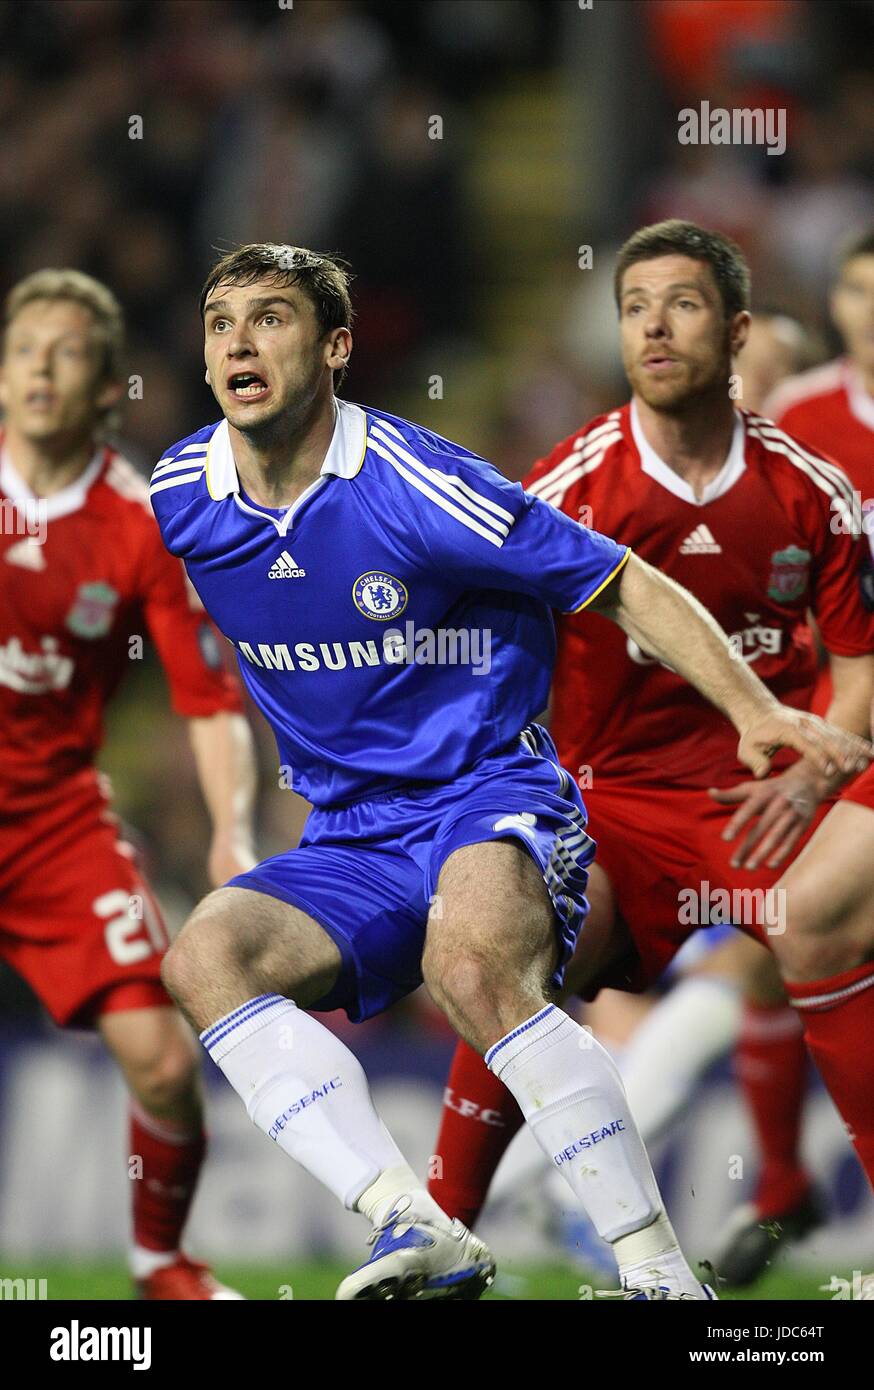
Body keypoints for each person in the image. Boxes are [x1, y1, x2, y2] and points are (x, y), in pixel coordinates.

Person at [149, 241, 868, 1302]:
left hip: (489, 791)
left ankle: (660, 1275)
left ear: (337, 347)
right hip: (348, 833)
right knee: (205, 956)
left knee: (475, 961)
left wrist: (756, 709)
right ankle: (414, 1222)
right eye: (221, 324)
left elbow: (619, 580)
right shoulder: (180, 490)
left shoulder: (417, 482)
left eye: (271, 319)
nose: (240, 343)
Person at [427, 222, 874, 1282]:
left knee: (820, 916)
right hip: (612, 801)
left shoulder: (809, 490)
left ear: (738, 332)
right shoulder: (568, 485)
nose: (653, 327)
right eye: (633, 307)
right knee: (502, 955)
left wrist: (820, 763)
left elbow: (859, 667)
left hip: (770, 793)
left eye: (680, 303)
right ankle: (438, 1228)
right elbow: (491, 653)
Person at [0, 269, 258, 1299]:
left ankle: (161, 1266)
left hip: (55, 824)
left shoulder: (142, 522)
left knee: (162, 1061)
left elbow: (204, 696)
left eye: (66, 353)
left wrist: (232, 834)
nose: (40, 372)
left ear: (110, 387)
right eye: (24, 351)